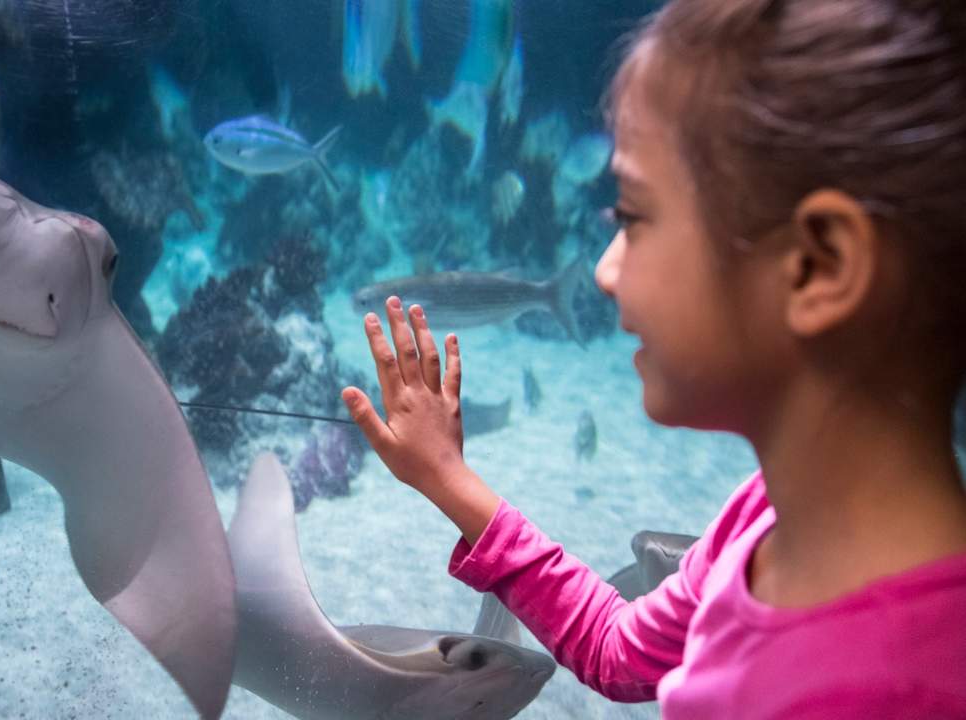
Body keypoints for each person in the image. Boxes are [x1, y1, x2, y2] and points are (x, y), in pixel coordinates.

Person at [340, 1, 966, 717]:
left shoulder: (890, 692)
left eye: (634, 217)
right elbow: (619, 651)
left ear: (818, 266)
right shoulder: (768, 518)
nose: (605, 271)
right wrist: (446, 477)